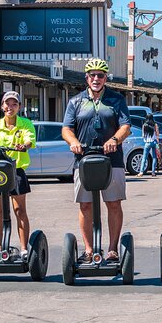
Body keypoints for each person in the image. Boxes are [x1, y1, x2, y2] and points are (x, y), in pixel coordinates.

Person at [61, 58, 131, 263]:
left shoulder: (117, 99)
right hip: (84, 159)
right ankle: (89, 249)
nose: (96, 79)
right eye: (92, 75)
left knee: (114, 203)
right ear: (86, 78)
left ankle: (112, 249)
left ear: (105, 78)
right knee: (85, 205)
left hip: (112, 159)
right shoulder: (75, 101)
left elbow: (125, 126)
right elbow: (66, 128)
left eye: (100, 75)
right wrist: (73, 142)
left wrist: (114, 139)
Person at [0, 91, 36, 258]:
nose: (10, 107)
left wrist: (24, 145)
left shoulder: (25, 124)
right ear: (2, 106)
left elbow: (30, 140)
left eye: (14, 104)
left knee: (19, 210)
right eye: (7, 104)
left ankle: (24, 249)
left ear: (19, 107)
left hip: (17, 171)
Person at [137, 113, 160, 177]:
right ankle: (153, 172)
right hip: (154, 142)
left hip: (147, 143)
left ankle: (141, 172)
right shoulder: (155, 125)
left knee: (144, 157)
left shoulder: (144, 125)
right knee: (154, 157)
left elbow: (143, 135)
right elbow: (157, 134)